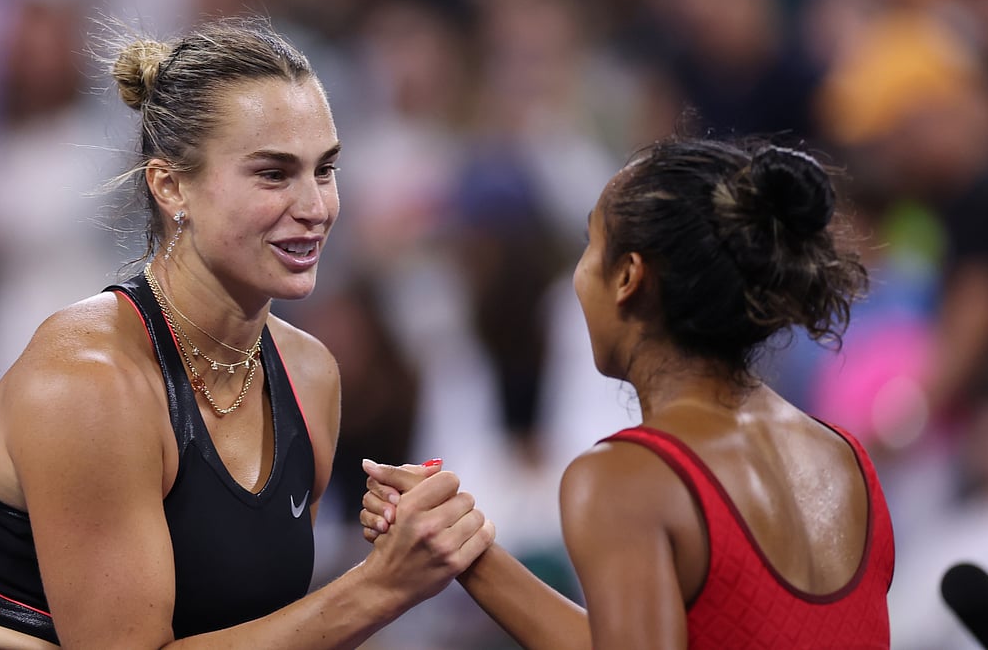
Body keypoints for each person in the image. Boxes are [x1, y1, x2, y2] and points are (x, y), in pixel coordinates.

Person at [0, 16, 494, 649]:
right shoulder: (89, 381)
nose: (315, 207)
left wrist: (402, 555)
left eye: (325, 170)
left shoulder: (309, 373)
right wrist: (379, 587)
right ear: (172, 185)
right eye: (273, 174)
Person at [363, 136, 896, 648]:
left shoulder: (623, 479)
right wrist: (460, 542)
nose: (576, 277)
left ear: (628, 277)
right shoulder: (847, 456)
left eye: (590, 246)